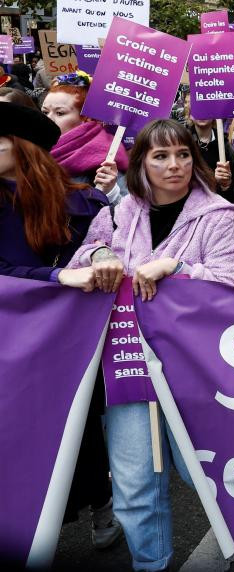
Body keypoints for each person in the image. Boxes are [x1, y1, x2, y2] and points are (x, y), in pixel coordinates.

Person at [65, 119, 234, 572]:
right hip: (129, 368)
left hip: (197, 373)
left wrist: (177, 266)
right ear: (141, 162)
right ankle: (152, 565)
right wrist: (101, 255)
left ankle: (233, 545)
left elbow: (227, 287)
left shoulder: (220, 216)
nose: (175, 165)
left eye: (183, 154)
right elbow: (82, 257)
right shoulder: (119, 212)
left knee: (208, 474)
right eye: (161, 156)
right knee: (134, 486)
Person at [0, 103, 120, 550]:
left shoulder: (81, 201)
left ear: (24, 148)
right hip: (10, 340)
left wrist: (101, 255)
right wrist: (56, 277)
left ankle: (100, 502)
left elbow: (105, 243)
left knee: (80, 427)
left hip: (69, 340)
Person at [42, 73, 128, 204]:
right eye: (45, 112)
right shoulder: (32, 149)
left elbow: (129, 217)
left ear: (86, 118)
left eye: (60, 113)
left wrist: (111, 193)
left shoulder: (106, 158)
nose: (48, 119)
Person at [187, 116, 234, 201]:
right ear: (190, 114)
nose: (202, 114)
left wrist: (225, 184)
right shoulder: (183, 141)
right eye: (198, 109)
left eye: (206, 109)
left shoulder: (225, 144)